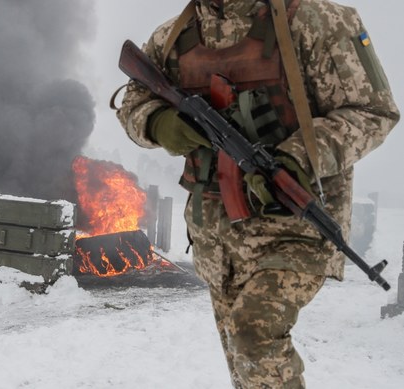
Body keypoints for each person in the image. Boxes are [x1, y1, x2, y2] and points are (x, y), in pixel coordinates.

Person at [115, 0, 399, 387]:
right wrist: (156, 122)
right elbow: (132, 99)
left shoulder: (316, 22)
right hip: (214, 239)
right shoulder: (175, 36)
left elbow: (372, 111)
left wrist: (299, 158)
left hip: (293, 228)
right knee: (243, 360)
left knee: (253, 333)